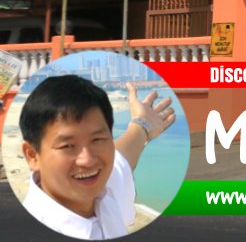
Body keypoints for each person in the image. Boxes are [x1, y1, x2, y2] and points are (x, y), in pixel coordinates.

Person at [18, 74, 176, 240]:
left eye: (97, 139)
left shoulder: (102, 191)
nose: (87, 160)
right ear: (32, 155)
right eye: (67, 146)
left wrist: (142, 124)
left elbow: (122, 157)